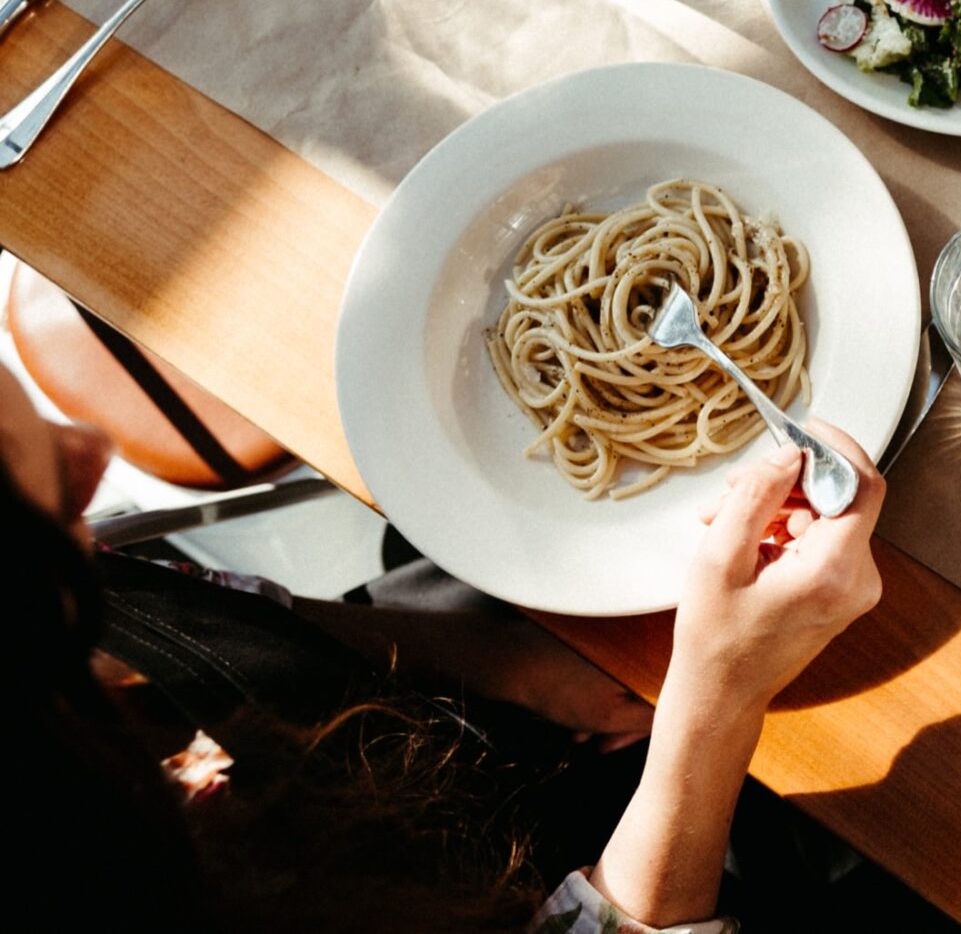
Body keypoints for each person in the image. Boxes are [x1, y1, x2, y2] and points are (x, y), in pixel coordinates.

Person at [2, 352, 889, 931]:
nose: (91, 449)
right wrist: (717, 698)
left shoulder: (42, 590)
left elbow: (256, 613)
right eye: (37, 486)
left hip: (411, 710)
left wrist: (513, 666)